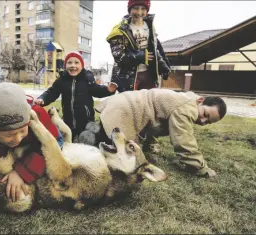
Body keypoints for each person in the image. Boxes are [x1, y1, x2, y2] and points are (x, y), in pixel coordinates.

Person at [0, 83, 64, 202]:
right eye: (9, 134)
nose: (17, 138)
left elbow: (53, 146)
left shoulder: (37, 114)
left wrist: (22, 173)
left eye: (22, 130)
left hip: (43, 136)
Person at [95, 89, 227, 177]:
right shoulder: (187, 109)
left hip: (125, 102)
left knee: (126, 146)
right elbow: (184, 139)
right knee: (125, 155)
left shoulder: (185, 100)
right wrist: (201, 167)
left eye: (208, 122)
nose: (203, 120)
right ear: (200, 101)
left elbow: (155, 122)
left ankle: (96, 131)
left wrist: (150, 144)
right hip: (126, 109)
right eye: (205, 114)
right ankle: (94, 138)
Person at [35, 51, 117, 140]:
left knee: (86, 142)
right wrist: (42, 98)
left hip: (86, 122)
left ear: (81, 65)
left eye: (76, 62)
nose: (73, 65)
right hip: (68, 121)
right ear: (65, 65)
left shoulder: (87, 79)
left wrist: (108, 90)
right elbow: (52, 92)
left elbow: (97, 90)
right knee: (68, 141)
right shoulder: (62, 80)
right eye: (69, 62)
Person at [106, 0, 171, 92]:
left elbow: (157, 48)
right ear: (129, 9)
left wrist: (164, 65)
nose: (139, 12)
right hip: (128, 77)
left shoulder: (150, 27)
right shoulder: (119, 30)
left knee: (149, 102)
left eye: (143, 9)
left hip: (149, 74)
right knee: (130, 104)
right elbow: (119, 57)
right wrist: (140, 56)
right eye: (136, 8)